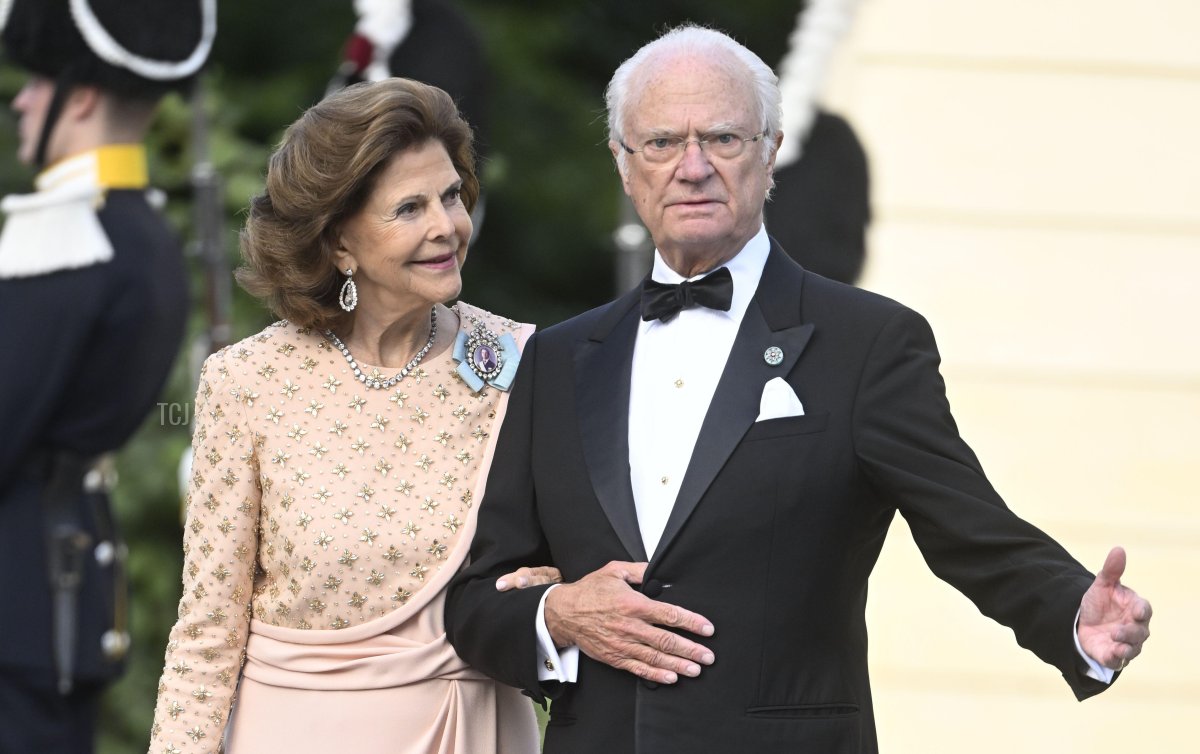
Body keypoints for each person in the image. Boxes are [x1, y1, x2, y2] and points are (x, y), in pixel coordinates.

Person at [445, 25, 1153, 753]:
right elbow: (476, 604)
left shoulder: (867, 342)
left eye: (722, 139)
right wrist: (556, 615)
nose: (692, 168)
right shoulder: (556, 359)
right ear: (624, 166)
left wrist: (1074, 612)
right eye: (660, 143)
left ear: (771, 150)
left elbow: (970, 531)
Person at [148, 77, 555, 754]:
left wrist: (548, 586)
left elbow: (567, 566)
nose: (446, 227)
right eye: (409, 208)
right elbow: (208, 631)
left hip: (477, 731)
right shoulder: (246, 382)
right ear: (339, 244)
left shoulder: (521, 358)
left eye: (451, 196)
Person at [0, 1, 213, 752]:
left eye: (35, 81)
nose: (22, 100)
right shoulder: (144, 232)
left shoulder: (62, 234)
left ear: (80, 97)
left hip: (15, 608)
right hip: (62, 596)